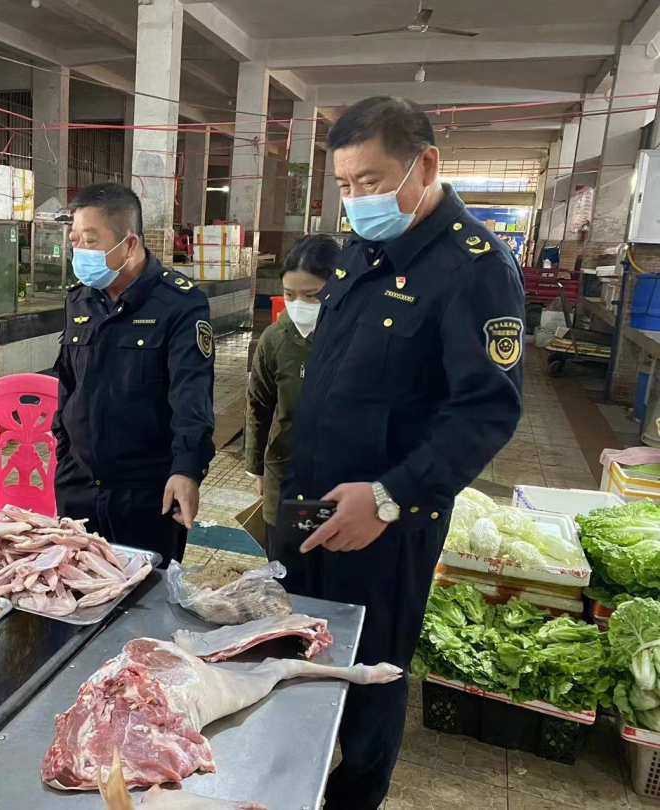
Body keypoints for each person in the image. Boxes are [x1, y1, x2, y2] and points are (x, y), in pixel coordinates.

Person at [275, 97, 525, 809]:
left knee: (371, 676)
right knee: (306, 657)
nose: (358, 200)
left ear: (427, 165)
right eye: (346, 185)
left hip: (386, 527)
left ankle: (355, 798)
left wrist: (388, 498)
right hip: (313, 506)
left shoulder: (474, 268)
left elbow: (486, 411)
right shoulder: (361, 252)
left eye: (373, 181)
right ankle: (298, 784)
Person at [52, 182, 215, 566]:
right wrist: (63, 449)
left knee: (143, 608)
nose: (80, 251)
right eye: (75, 240)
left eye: (91, 240)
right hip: (79, 487)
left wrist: (187, 469)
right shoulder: (80, 299)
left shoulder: (179, 304)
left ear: (129, 244)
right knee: (73, 595)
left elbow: (192, 396)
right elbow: (68, 385)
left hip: (147, 494)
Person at [245, 234, 338, 550]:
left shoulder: (354, 339)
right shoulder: (275, 339)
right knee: (285, 567)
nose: (299, 305)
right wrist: (257, 468)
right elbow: (259, 405)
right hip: (283, 476)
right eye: (289, 294)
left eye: (311, 296)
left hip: (337, 478)